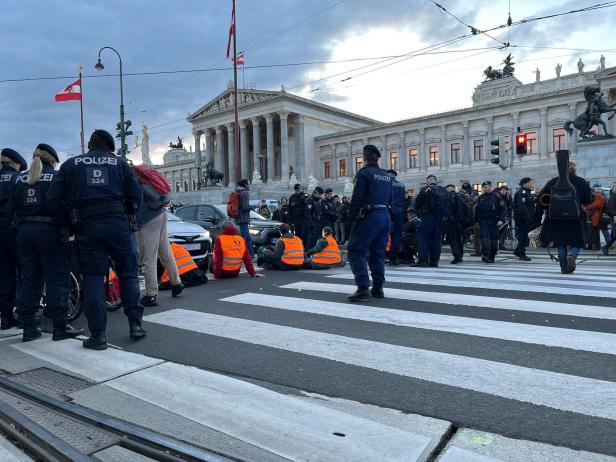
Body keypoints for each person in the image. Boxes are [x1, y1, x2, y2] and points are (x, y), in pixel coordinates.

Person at [47, 129, 145, 350]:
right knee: (128, 274)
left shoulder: (71, 165)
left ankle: (98, 335)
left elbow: (53, 198)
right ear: (109, 148)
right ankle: (135, 324)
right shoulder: (119, 164)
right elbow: (136, 195)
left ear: (90, 146)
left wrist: (69, 221)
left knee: (92, 278)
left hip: (88, 226)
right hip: (118, 224)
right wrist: (129, 212)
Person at [8, 145, 84, 342]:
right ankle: (60, 325)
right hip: (50, 232)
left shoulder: (20, 179)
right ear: (52, 160)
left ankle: (29, 327)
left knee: (29, 279)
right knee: (57, 277)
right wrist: (68, 226)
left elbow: (10, 209)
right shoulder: (56, 177)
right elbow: (62, 204)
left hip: (25, 233)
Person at [346, 144, 392, 302]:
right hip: (385, 216)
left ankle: (363, 287)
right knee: (377, 253)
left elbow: (357, 199)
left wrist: (350, 219)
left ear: (365, 157)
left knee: (355, 251)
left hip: (370, 216)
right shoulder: (386, 175)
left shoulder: (364, 173)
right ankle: (378, 288)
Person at [135, 171, 183, 307]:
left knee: (148, 257)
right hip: (161, 213)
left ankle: (151, 294)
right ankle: (176, 283)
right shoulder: (143, 178)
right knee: (165, 251)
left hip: (147, 219)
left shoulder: (131, 179)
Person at [538, 162, 592, 273]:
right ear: (574, 169)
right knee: (578, 241)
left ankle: (563, 268)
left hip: (557, 217)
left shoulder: (553, 181)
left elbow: (541, 199)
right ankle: (572, 255)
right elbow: (588, 200)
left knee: (560, 243)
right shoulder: (581, 182)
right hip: (575, 216)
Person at [0, 148, 27, 330]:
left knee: (4, 273)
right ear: (16, 164)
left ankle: (6, 316)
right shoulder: (18, 179)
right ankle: (25, 314)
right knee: (25, 271)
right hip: (13, 229)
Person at [414, 175, 448, 267]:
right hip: (439, 219)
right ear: (436, 181)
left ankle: (423, 261)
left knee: (423, 239)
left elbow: (417, 204)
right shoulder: (443, 190)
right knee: (437, 240)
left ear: (428, 181)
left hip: (427, 217)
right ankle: (434, 261)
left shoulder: (424, 190)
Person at [475, 180, 507, 263]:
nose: (484, 189)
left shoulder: (496, 197)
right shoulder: (481, 198)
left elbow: (503, 209)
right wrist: (476, 221)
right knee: (485, 239)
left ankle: (491, 256)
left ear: (490, 187)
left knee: (493, 239)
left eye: (486, 187)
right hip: (484, 221)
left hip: (494, 221)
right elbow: (477, 210)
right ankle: (486, 255)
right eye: (483, 187)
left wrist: (501, 219)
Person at [513, 177, 536, 261]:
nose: (531, 184)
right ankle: (522, 254)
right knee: (523, 236)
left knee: (525, 236)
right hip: (523, 219)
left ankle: (517, 251)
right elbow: (522, 208)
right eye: (529, 182)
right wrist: (528, 218)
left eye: (531, 182)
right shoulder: (521, 193)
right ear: (524, 184)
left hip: (527, 218)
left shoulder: (528, 192)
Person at [387, 169, 406, 266]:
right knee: (397, 236)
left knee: (384, 234)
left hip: (388, 210)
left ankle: (381, 257)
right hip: (399, 210)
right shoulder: (401, 185)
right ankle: (393, 259)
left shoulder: (386, 183)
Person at [585, 186, 611, 252]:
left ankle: (598, 246)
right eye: (595, 192)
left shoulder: (601, 197)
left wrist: (587, 207)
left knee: (596, 232)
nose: (595, 193)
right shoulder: (597, 197)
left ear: (600, 192)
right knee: (593, 232)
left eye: (597, 192)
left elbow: (595, 205)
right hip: (595, 218)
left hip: (598, 218)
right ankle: (593, 246)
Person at [235, 178, 254, 258]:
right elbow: (245, 207)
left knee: (248, 238)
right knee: (244, 239)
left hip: (239, 218)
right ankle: (243, 255)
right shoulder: (245, 193)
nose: (249, 186)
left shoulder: (237, 192)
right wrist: (255, 206)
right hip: (243, 218)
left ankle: (251, 255)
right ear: (245, 185)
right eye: (248, 184)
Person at [445, 184, 464, 264]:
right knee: (459, 239)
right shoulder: (459, 196)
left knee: (452, 239)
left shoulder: (450, 196)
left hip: (452, 221)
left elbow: (448, 209)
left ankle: (457, 256)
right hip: (459, 221)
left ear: (450, 188)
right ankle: (460, 255)